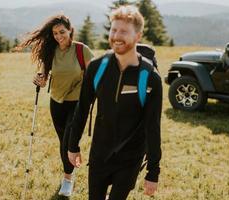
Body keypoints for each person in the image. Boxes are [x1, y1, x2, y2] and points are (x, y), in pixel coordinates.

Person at [68, 5, 162, 200]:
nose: (116, 36)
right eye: (113, 29)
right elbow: (82, 109)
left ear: (138, 36)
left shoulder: (150, 78)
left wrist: (153, 172)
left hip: (130, 158)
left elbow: (152, 127)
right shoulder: (97, 68)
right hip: (99, 154)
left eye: (124, 31)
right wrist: (72, 145)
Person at [19, 14, 94, 197]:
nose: (59, 36)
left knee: (69, 142)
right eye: (55, 33)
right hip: (57, 102)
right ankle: (72, 165)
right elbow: (43, 79)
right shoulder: (51, 51)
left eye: (62, 32)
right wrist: (39, 79)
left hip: (78, 103)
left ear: (70, 30)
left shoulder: (81, 50)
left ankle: (67, 179)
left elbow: (95, 74)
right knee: (64, 142)